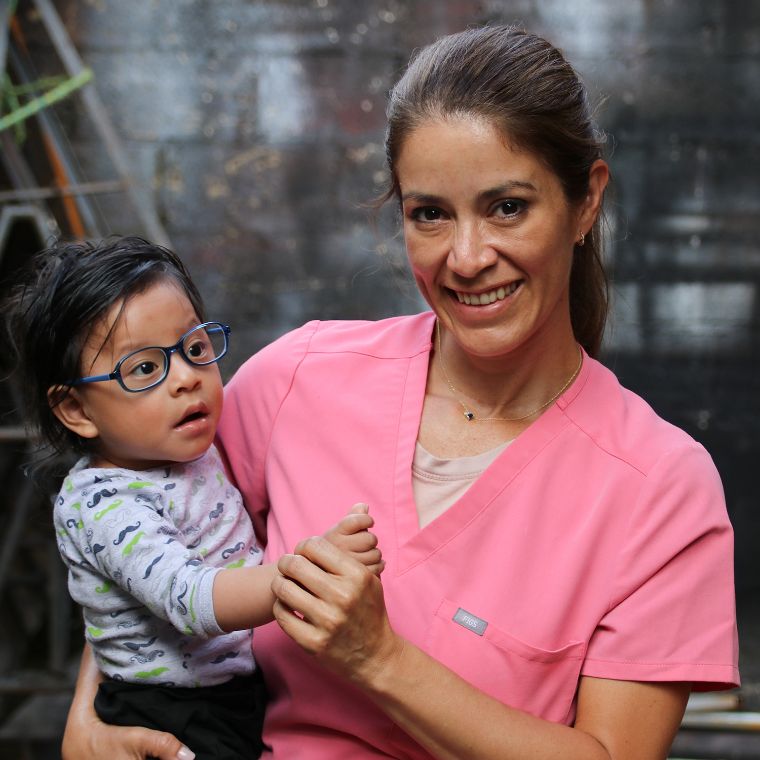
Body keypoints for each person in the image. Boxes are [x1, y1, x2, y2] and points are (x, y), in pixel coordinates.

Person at [60, 25, 739, 760]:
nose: (469, 257)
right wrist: (89, 718)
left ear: (585, 203)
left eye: (507, 207)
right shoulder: (297, 381)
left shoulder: (661, 490)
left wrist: (379, 659)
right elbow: (128, 523)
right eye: (430, 215)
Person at [2, 236, 383, 760]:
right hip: (167, 708)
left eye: (195, 348)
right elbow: (189, 599)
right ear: (75, 409)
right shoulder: (102, 504)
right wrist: (310, 573)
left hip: (233, 690)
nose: (186, 379)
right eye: (144, 369)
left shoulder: (190, 448)